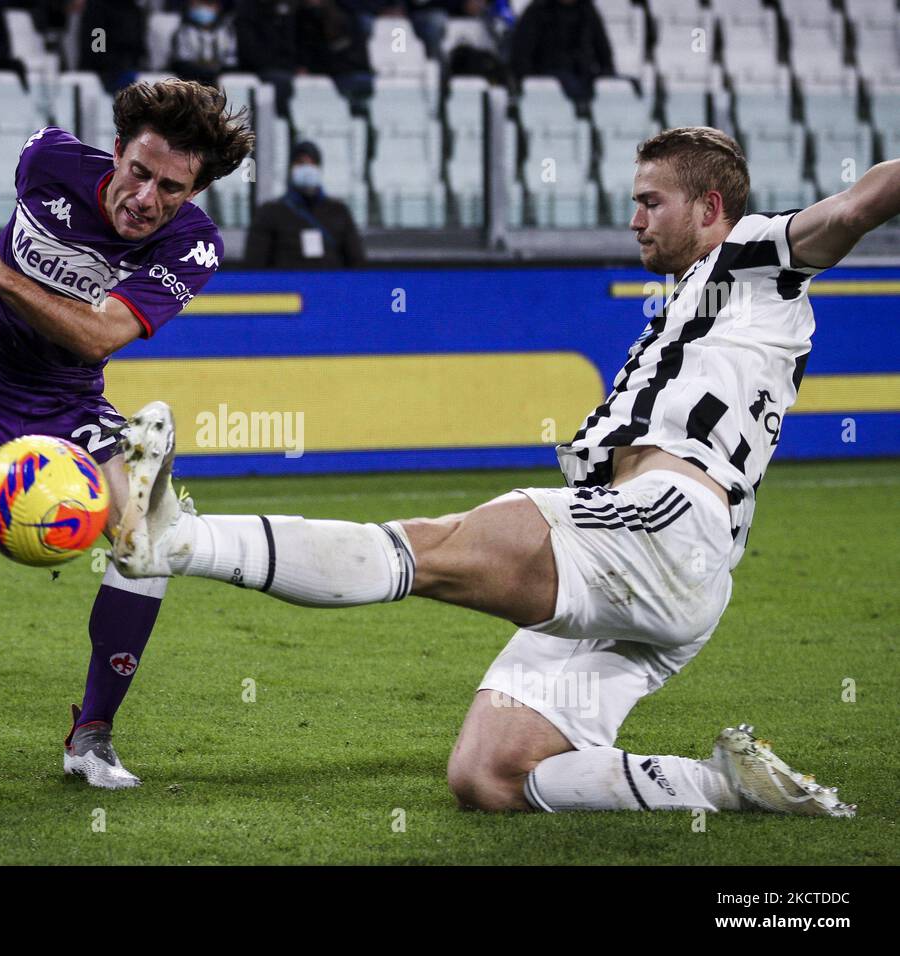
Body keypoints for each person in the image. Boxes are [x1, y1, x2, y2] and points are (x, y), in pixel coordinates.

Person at [113, 127, 900, 817]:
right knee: (489, 774)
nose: (634, 220)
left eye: (651, 202)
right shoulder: (701, 296)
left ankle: (178, 543)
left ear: (711, 208)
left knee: (432, 549)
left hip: (665, 524)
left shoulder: (756, 252)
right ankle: (723, 786)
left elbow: (855, 207)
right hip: (668, 567)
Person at [0, 79, 254, 796]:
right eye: (139, 172)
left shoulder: (195, 247)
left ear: (196, 192)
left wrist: (0, 274)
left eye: (172, 188)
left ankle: (92, 738)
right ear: (116, 152)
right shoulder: (47, 158)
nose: (147, 197)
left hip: (69, 396)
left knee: (145, 543)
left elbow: (96, 336)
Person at [242, 140, 365, 268]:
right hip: (288, 285)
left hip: (331, 285)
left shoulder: (339, 211)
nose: (307, 168)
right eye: (301, 163)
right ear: (291, 169)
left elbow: (356, 261)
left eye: (313, 163)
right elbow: (254, 264)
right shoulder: (270, 212)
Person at [510, 0, 614, 110]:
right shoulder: (537, 11)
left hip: (584, 76)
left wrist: (607, 76)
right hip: (547, 80)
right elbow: (520, 55)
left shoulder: (587, 10)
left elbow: (603, 49)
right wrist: (530, 84)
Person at [168, 0, 237, 88]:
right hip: (189, 82)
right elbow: (181, 63)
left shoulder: (227, 30)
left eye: (209, 4)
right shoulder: (183, 31)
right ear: (190, 6)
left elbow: (231, 63)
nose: (203, 9)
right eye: (198, 4)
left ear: (218, 7)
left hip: (221, 82)